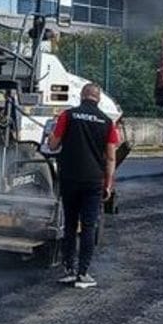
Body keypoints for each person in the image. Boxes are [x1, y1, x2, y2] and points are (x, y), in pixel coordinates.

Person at [46, 83, 120, 288]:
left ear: (82, 96)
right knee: (88, 226)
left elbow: (53, 144)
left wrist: (51, 135)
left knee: (70, 224)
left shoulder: (68, 115)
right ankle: (83, 273)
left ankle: (69, 270)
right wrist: (108, 184)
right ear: (98, 98)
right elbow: (111, 157)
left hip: (69, 178)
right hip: (93, 181)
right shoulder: (107, 122)